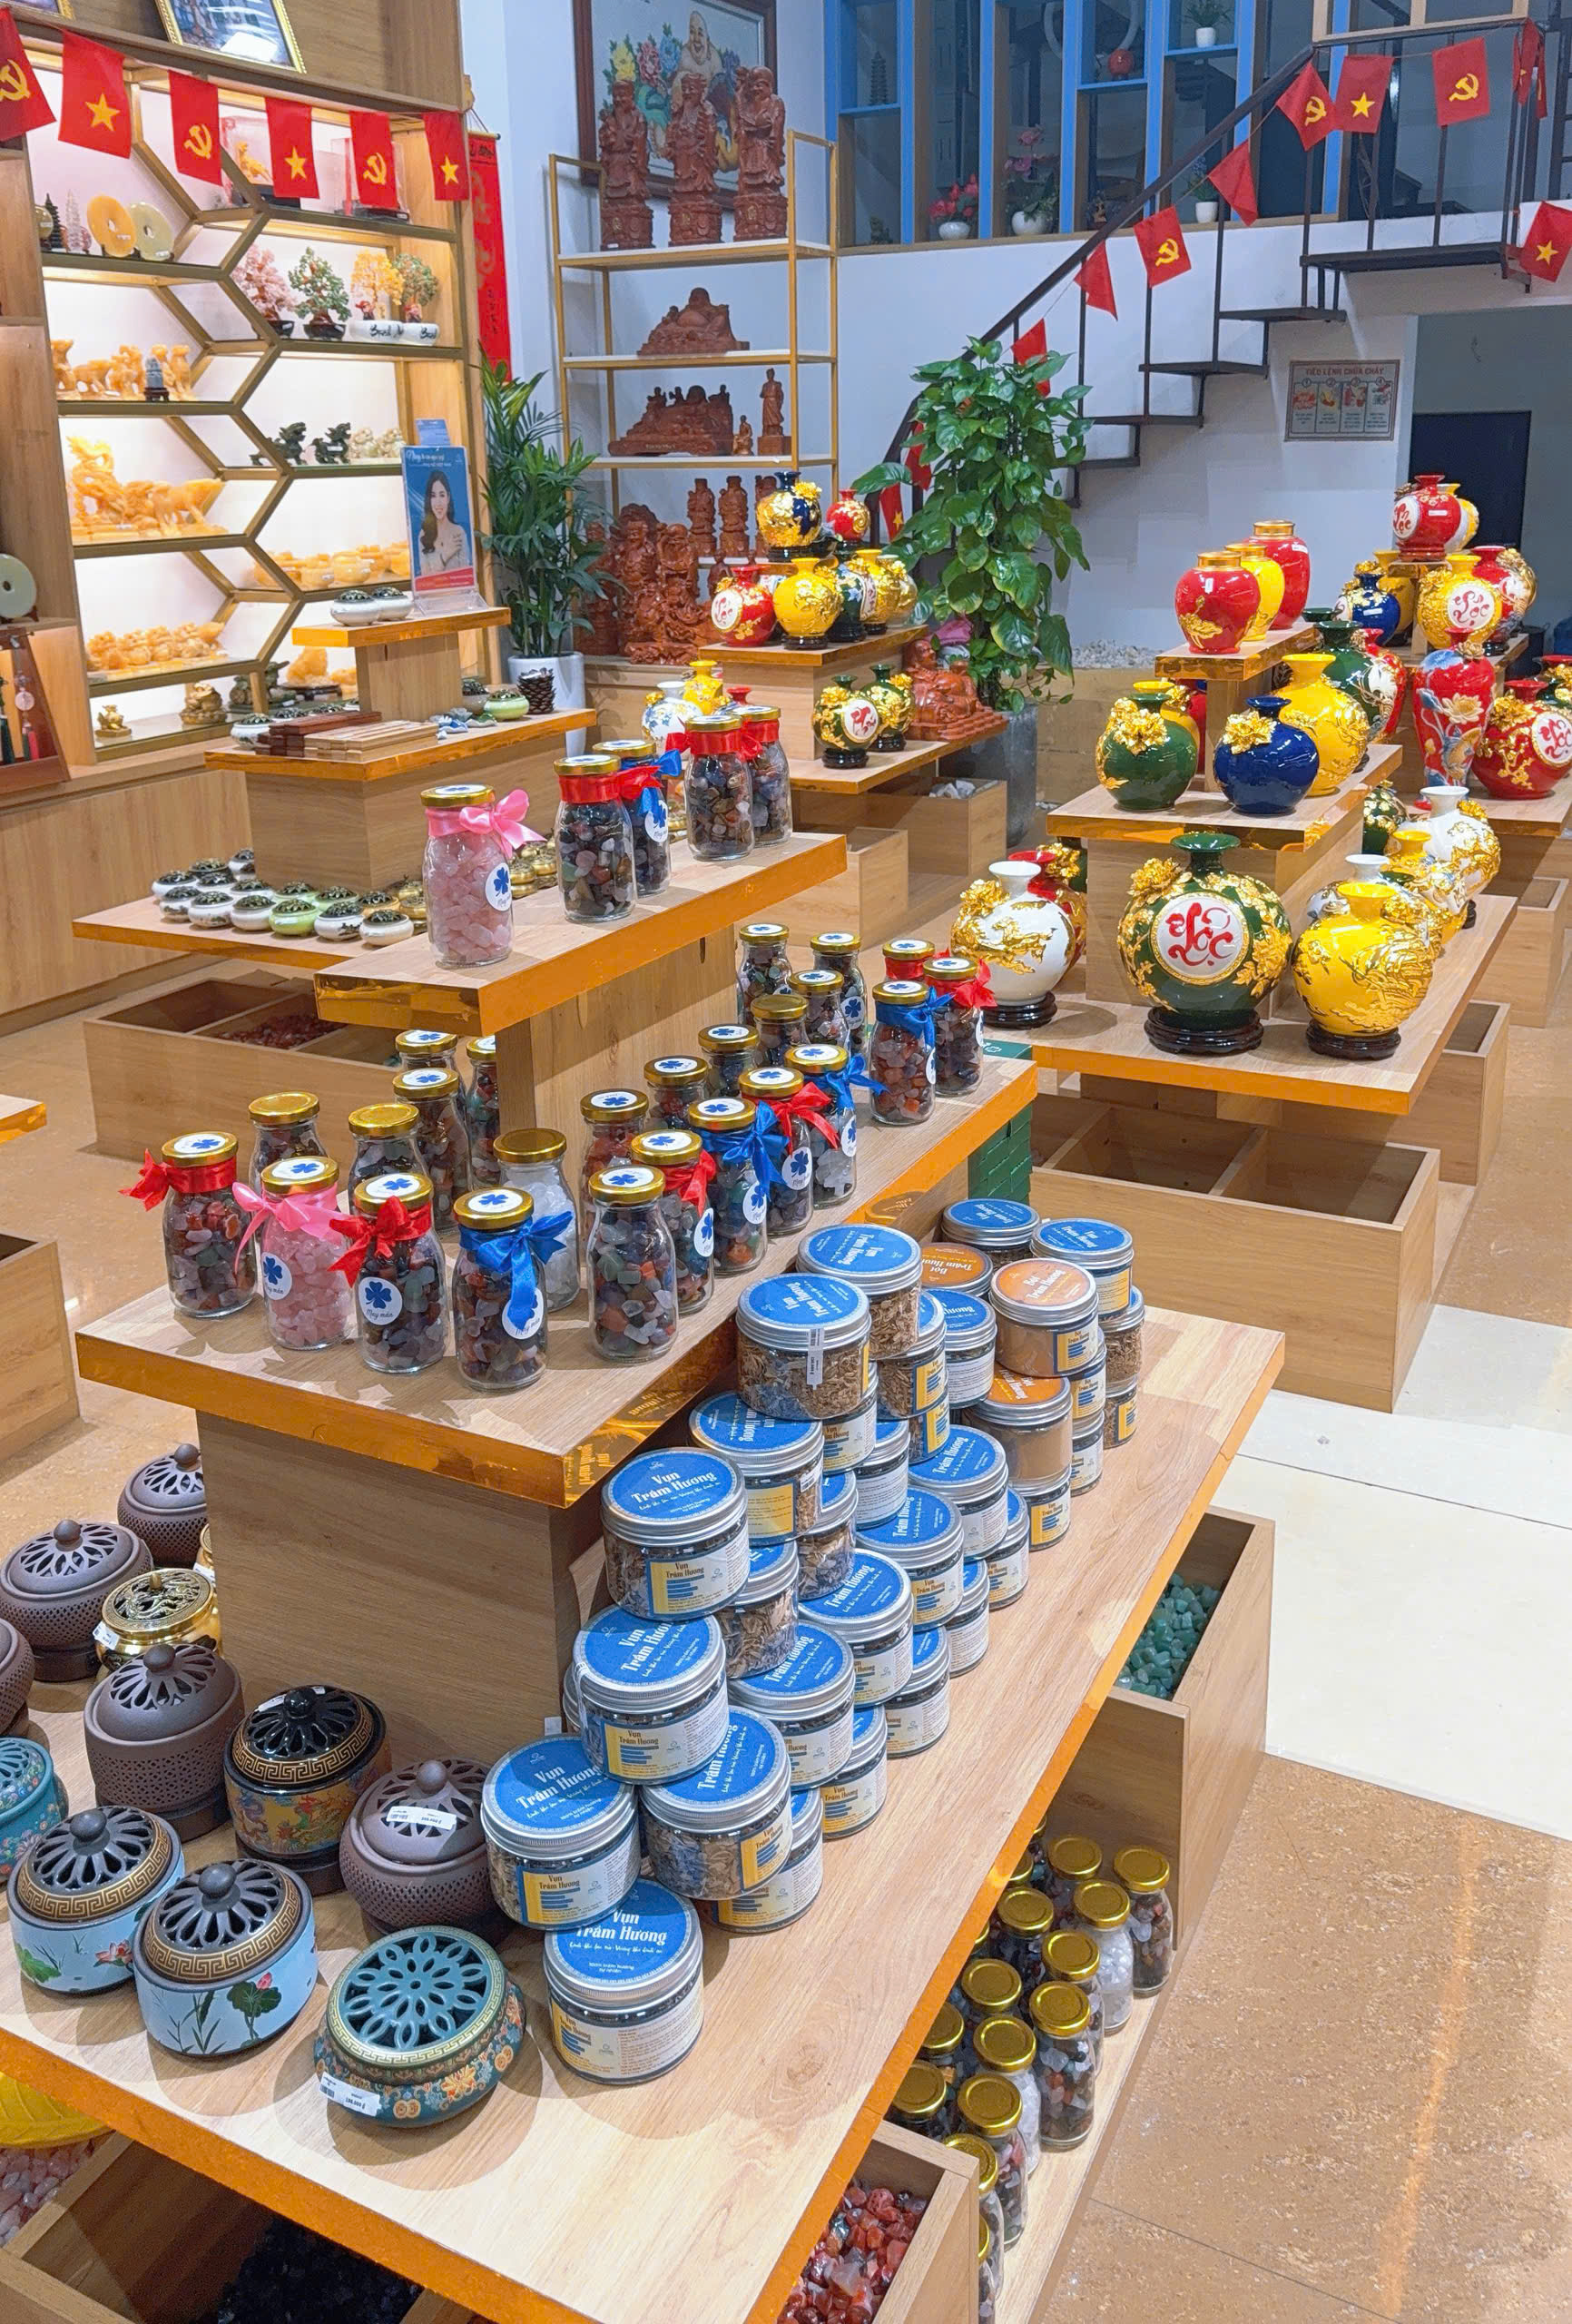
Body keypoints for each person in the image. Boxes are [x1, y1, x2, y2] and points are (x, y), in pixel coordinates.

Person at [418, 469, 470, 577]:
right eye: (433, 496)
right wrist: (445, 555)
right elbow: (425, 578)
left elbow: (466, 576)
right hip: (432, 589)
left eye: (442, 495)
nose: (438, 503)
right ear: (429, 500)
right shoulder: (423, 535)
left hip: (458, 588)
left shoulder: (459, 532)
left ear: (448, 498)